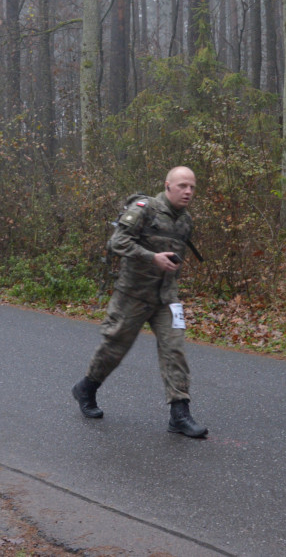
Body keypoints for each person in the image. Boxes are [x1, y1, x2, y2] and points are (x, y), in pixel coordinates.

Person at [71, 166, 208, 438]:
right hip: (132, 295)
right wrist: (151, 257)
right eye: (182, 185)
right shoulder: (144, 208)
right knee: (114, 348)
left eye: (192, 187)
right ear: (168, 186)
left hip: (165, 298)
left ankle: (180, 414)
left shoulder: (185, 220)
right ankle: (86, 388)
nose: (188, 191)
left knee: (175, 349)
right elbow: (117, 242)